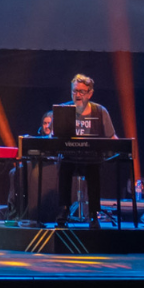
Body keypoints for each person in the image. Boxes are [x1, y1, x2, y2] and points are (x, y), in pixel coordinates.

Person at [55, 75, 115, 228]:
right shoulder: (64, 110)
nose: (78, 95)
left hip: (91, 158)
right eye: (75, 91)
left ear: (90, 93)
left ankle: (94, 213)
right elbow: (54, 137)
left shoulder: (100, 111)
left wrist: (124, 148)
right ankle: (64, 210)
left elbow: (111, 136)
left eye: (82, 92)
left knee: (93, 169)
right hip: (70, 156)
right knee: (64, 167)